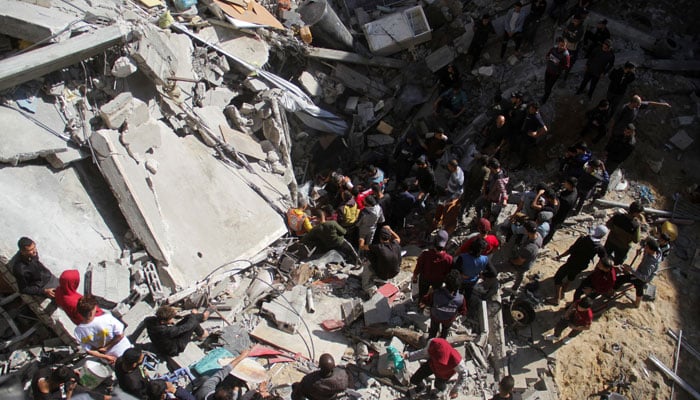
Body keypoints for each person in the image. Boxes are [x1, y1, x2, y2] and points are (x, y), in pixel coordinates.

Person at [549, 225, 608, 305]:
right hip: (582, 265)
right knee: (572, 275)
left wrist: (560, 256)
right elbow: (603, 258)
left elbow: (571, 250)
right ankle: (565, 288)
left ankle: (557, 298)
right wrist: (597, 267)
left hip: (572, 262)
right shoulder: (599, 247)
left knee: (558, 277)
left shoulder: (583, 239)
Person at [74, 295, 132, 364]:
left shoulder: (78, 331)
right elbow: (120, 335)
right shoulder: (107, 318)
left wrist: (106, 357)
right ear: (91, 312)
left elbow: (89, 350)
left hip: (111, 359)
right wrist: (107, 347)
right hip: (125, 349)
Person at [145, 305, 211, 357]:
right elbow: (187, 326)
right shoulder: (166, 331)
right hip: (173, 349)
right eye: (171, 319)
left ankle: (202, 319)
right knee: (193, 321)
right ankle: (202, 333)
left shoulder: (149, 320)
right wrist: (194, 315)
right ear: (163, 322)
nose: (172, 320)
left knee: (190, 318)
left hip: (163, 342)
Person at [614, 238, 661, 308]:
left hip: (641, 277)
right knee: (639, 287)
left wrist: (631, 269)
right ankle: (637, 303)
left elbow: (644, 277)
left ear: (651, 250)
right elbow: (646, 245)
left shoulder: (650, 263)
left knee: (621, 279)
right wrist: (641, 250)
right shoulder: (656, 250)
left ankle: (611, 292)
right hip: (641, 272)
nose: (645, 247)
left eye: (646, 247)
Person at [421, 270, 467, 339]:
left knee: (433, 329)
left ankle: (431, 340)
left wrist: (430, 292)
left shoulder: (436, 294)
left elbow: (425, 300)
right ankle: (442, 340)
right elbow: (463, 311)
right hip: (448, 319)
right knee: (445, 330)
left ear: (445, 283)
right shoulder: (461, 299)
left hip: (435, 317)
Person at [413, 230, 453, 301]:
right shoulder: (448, 259)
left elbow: (418, 266)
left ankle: (421, 304)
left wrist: (415, 275)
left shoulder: (425, 254)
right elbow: (448, 272)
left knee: (422, 293)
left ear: (434, 242)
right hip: (438, 281)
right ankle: (432, 305)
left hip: (424, 279)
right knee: (436, 293)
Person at [362, 226, 401, 297]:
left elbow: (363, 247)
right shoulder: (395, 244)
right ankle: (390, 284)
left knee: (367, 261)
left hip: (382, 275)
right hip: (395, 272)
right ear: (389, 237)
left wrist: (361, 240)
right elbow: (398, 238)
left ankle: (367, 286)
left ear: (380, 238)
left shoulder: (378, 247)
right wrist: (390, 230)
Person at [543, 177, 578, 246]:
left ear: (570, 185)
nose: (564, 183)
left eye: (566, 183)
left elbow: (557, 205)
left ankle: (544, 242)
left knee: (552, 229)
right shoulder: (575, 190)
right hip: (563, 212)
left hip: (558, 215)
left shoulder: (566, 200)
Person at [508, 221, 542, 292]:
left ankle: (514, 289)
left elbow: (519, 262)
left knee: (520, 274)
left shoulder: (529, 248)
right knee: (520, 275)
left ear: (526, 231)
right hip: (529, 260)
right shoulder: (539, 236)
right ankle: (515, 283)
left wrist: (511, 260)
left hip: (523, 264)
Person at [433, 159, 464, 234]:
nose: (448, 168)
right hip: (451, 191)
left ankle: (439, 221)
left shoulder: (456, 177)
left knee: (443, 205)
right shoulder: (458, 169)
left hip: (452, 194)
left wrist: (451, 198)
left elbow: (456, 190)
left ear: (453, 167)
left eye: (449, 167)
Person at [514, 102, 548, 170]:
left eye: (532, 109)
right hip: (524, 133)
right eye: (530, 108)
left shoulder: (537, 117)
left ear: (536, 110)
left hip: (529, 138)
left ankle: (523, 164)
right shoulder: (529, 112)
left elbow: (545, 129)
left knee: (523, 151)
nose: (530, 109)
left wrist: (536, 134)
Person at [474, 158, 509, 223]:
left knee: (478, 204)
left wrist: (505, 200)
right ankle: (484, 219)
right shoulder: (502, 171)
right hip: (492, 194)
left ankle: (480, 221)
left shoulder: (499, 180)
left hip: (492, 196)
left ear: (491, 167)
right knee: (487, 208)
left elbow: (503, 190)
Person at [541, 37, 570, 104]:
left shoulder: (566, 55)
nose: (561, 47)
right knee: (546, 84)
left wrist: (559, 64)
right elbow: (547, 55)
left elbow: (567, 66)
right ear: (558, 43)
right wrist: (548, 57)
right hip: (548, 70)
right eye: (560, 45)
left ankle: (544, 99)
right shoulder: (553, 49)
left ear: (565, 45)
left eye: (563, 46)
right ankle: (545, 94)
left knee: (549, 87)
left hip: (555, 73)